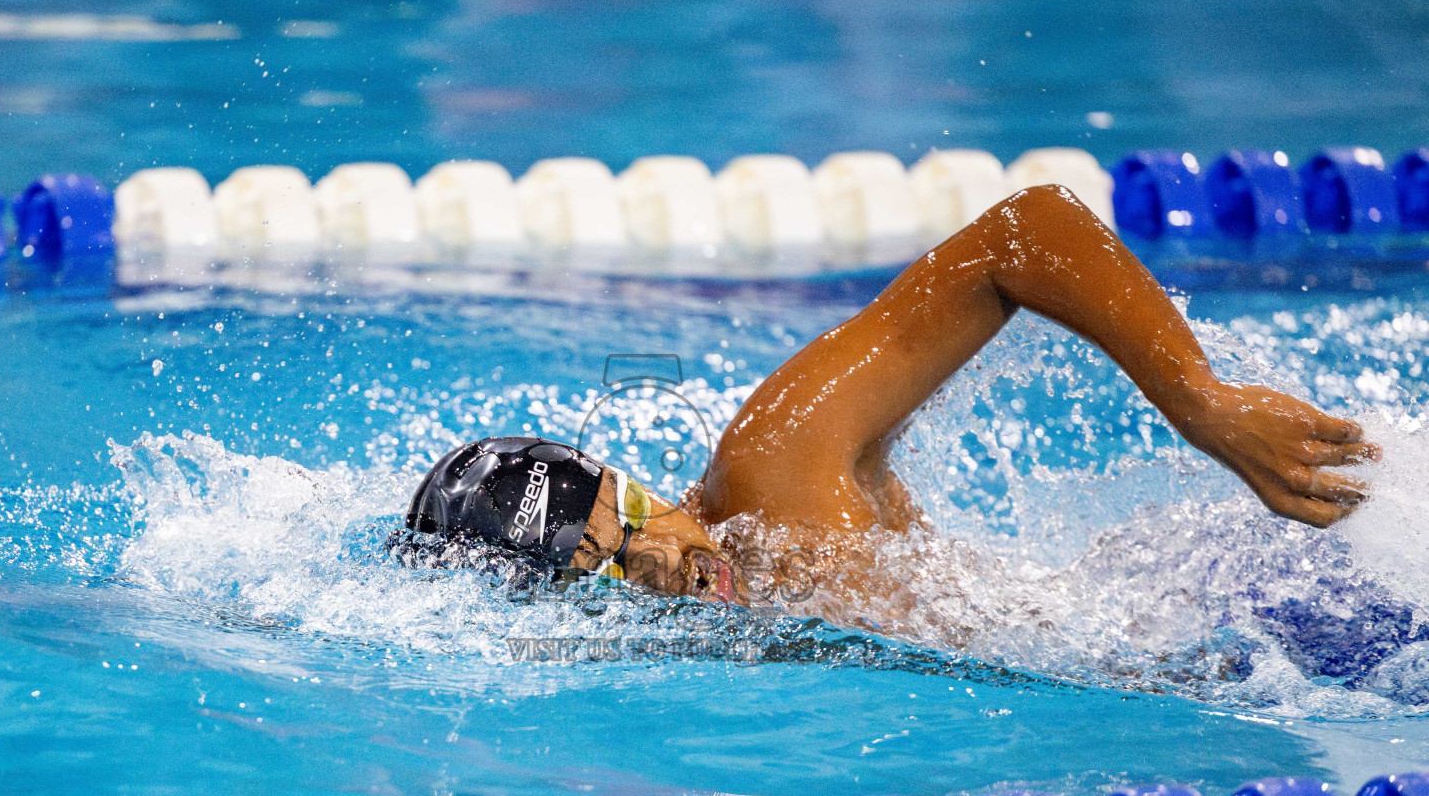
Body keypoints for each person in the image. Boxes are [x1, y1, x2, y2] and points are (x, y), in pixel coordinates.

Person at [399, 184, 1378, 607]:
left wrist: (1202, 402)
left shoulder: (772, 470)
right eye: (611, 573)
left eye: (641, 518)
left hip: (1255, 598)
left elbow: (1021, 234)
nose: (667, 562)